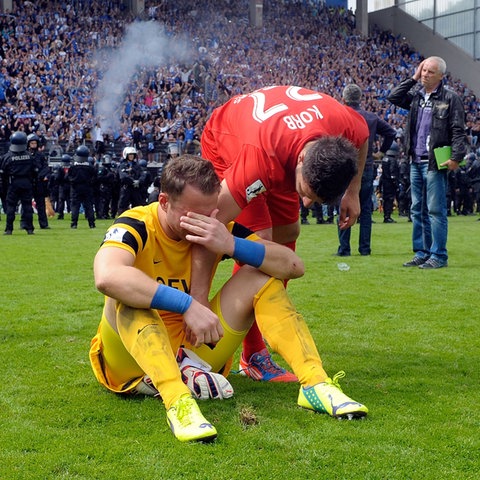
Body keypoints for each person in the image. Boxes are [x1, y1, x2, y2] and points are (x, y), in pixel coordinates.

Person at [89, 155, 368, 443]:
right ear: (163, 202)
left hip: (193, 349)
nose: (205, 222)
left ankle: (315, 383)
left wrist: (230, 243)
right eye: (193, 214)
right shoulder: (137, 223)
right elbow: (107, 276)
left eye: (210, 213)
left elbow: (293, 266)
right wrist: (186, 304)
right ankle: (177, 400)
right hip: (130, 359)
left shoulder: (215, 227)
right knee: (126, 294)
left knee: (261, 276)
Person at [197, 85, 369, 382]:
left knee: (289, 230)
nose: (306, 202)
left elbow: (363, 134)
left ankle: (257, 345)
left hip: (279, 145)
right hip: (228, 142)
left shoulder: (343, 125)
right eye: (305, 192)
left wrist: (352, 192)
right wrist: (195, 303)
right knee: (260, 247)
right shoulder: (258, 160)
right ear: (302, 160)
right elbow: (207, 226)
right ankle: (252, 355)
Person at [387, 56, 467, 269]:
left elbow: (459, 130)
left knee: (435, 210)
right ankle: (422, 252)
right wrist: (413, 78)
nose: (425, 74)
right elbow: (393, 97)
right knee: (417, 209)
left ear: (441, 76)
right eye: (423, 70)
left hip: (434, 162)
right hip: (414, 159)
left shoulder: (450, 98)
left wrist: (456, 157)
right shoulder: (416, 97)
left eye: (430, 72)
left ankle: (438, 255)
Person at [335, 84, 396, 256]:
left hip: (344, 167)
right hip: (366, 166)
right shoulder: (371, 118)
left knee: (344, 206)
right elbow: (391, 133)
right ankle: (365, 248)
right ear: (360, 99)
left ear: (344, 99)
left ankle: (344, 249)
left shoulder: (339, 116)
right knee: (366, 209)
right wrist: (381, 152)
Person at [1, 131, 37, 235]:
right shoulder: (30, 156)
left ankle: (9, 229)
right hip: (26, 183)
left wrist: (5, 186)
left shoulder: (7, 157)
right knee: (27, 207)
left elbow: (3, 173)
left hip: (13, 183)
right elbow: (35, 171)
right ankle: (30, 229)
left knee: (11, 206)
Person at [68, 145, 96, 229]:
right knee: (89, 206)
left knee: (75, 206)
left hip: (76, 187)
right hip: (87, 187)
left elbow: (69, 176)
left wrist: (73, 182)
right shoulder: (90, 165)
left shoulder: (73, 165)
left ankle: (74, 224)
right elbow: (94, 176)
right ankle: (91, 224)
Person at [379, 142, 401, 223]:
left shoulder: (384, 159)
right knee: (390, 199)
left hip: (385, 181)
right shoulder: (393, 160)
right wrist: (396, 184)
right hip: (390, 183)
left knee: (386, 199)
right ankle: (387, 216)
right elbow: (393, 173)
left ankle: (386, 215)